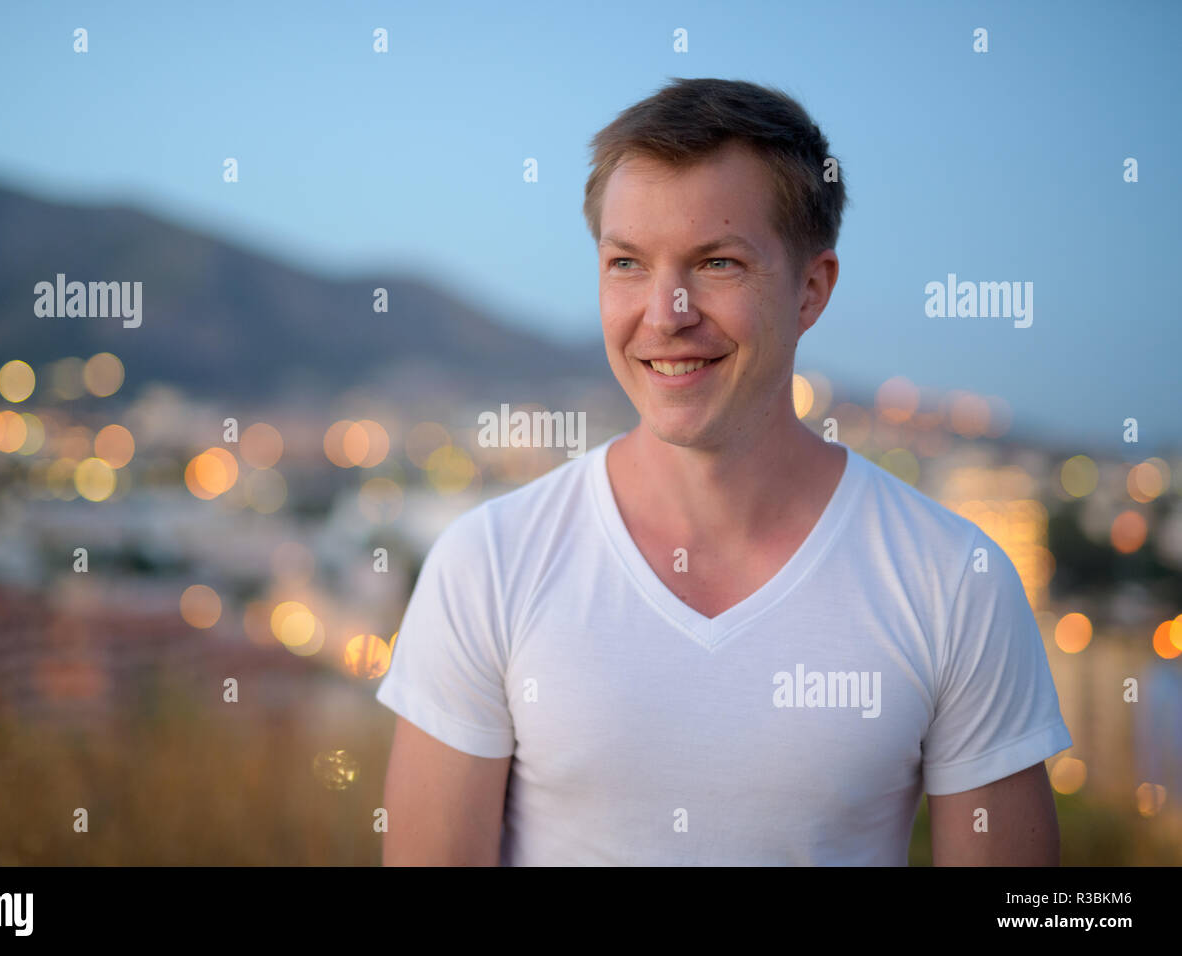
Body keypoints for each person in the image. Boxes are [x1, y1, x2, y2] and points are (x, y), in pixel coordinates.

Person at [375, 77, 1073, 865]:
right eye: (628, 263)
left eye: (717, 264)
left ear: (811, 290)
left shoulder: (953, 580)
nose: (666, 312)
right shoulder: (487, 565)